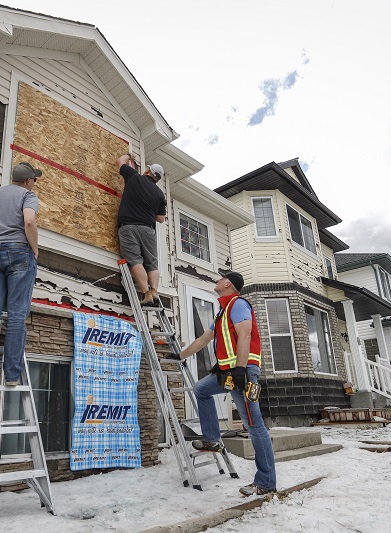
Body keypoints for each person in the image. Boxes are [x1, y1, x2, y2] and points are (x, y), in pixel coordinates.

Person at [178, 269, 277, 496]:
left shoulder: (238, 305)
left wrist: (241, 369)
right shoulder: (222, 312)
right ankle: (212, 439)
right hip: (228, 373)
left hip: (243, 373)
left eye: (222, 278)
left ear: (228, 284)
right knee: (201, 389)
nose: (218, 279)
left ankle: (266, 482)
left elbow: (245, 335)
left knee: (254, 425)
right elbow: (203, 340)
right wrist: (180, 356)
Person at [0, 162, 41, 386]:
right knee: (16, 314)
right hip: (19, 252)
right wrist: (34, 250)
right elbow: (29, 221)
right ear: (29, 180)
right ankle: (12, 376)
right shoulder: (27, 195)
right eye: (34, 180)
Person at [116, 154, 167, 305]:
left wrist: (129, 155)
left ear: (148, 171)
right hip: (148, 230)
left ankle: (146, 293)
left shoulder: (134, 177)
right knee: (152, 263)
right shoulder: (160, 194)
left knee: (135, 260)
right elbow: (161, 219)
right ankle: (155, 291)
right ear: (157, 179)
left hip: (128, 226)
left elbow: (120, 161)